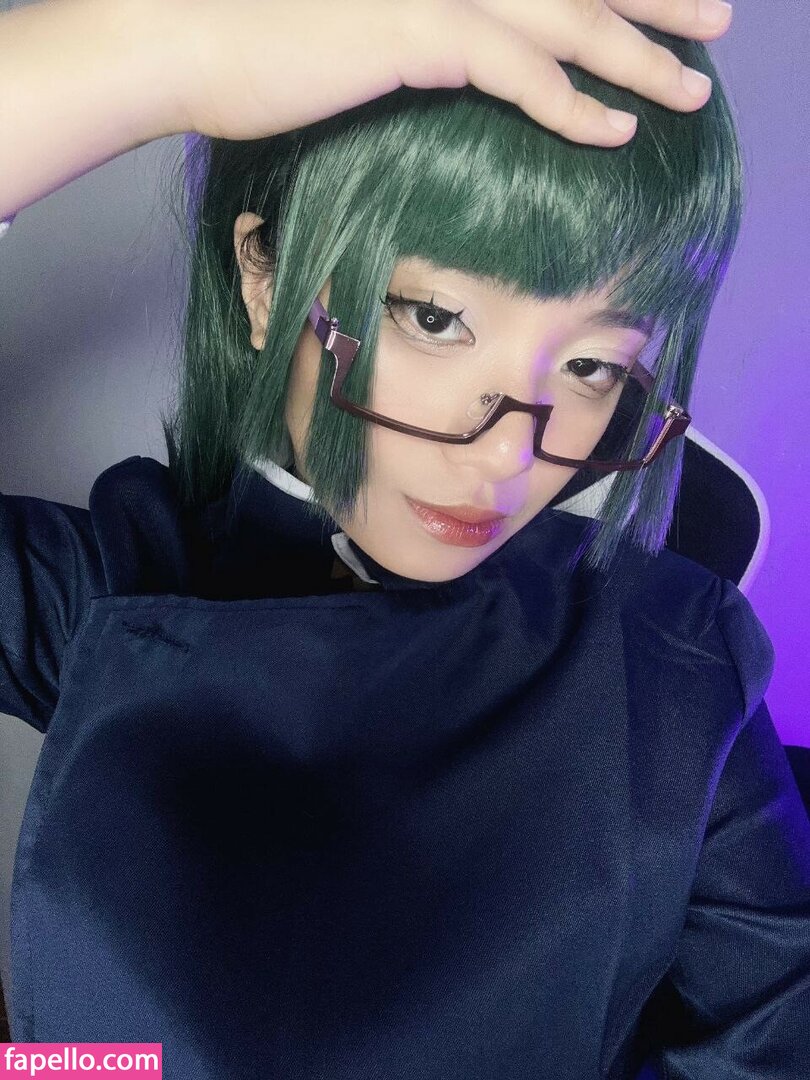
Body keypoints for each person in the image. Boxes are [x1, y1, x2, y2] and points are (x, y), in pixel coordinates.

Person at [2, 1, 809, 1078]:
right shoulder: (114, 584)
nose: (507, 457)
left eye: (592, 368)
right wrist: (162, 53)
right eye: (435, 318)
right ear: (264, 277)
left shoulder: (674, 665)